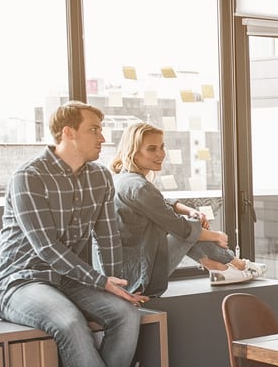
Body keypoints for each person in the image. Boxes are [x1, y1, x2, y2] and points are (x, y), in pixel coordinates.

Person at [0, 101, 159, 367]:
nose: (103, 137)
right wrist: (99, 280)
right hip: (20, 279)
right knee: (68, 322)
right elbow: (45, 247)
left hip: (69, 278)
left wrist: (115, 285)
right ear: (68, 133)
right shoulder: (28, 177)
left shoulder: (98, 177)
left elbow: (107, 237)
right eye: (94, 129)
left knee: (126, 315)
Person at [110, 121, 265, 297]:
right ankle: (232, 264)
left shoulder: (122, 180)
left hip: (127, 273)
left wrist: (189, 210)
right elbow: (182, 230)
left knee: (189, 224)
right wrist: (217, 236)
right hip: (140, 279)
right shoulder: (140, 188)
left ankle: (219, 266)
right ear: (134, 153)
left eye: (162, 147)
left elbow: (161, 205)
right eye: (152, 149)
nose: (160, 154)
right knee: (187, 229)